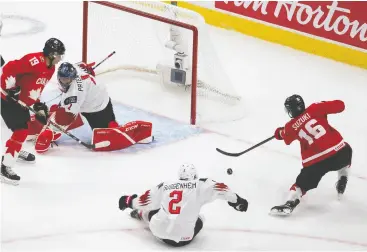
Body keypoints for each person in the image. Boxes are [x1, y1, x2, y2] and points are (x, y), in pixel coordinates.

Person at [32, 62, 153, 153]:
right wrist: (88, 69)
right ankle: (65, 114)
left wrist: (48, 132)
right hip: (92, 96)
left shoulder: (74, 93)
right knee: (62, 109)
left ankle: (142, 133)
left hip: (97, 107)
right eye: (63, 79)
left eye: (68, 79)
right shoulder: (75, 69)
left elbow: (64, 119)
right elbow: (82, 65)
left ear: (73, 77)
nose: (65, 82)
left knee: (108, 131)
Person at [118, 163, 248, 247]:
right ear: (194, 175)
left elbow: (144, 200)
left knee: (156, 209)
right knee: (201, 218)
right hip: (184, 239)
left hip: (158, 231)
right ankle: (148, 216)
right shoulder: (200, 184)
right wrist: (237, 201)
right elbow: (221, 189)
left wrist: (128, 201)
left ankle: (141, 214)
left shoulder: (166, 185)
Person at [271, 94, 352, 216]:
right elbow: (341, 105)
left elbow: (283, 135)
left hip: (316, 163)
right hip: (340, 153)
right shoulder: (315, 108)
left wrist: (278, 132)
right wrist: (323, 105)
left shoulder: (290, 126)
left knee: (300, 186)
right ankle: (343, 177)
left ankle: (290, 203)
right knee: (346, 150)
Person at [1, 38, 65, 185]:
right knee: (21, 131)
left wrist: (37, 105)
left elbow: (34, 87)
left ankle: (14, 151)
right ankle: (5, 168)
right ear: (51, 54)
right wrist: (9, 89)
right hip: (6, 98)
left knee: (24, 127)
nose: (59, 58)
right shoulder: (34, 60)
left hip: (20, 102)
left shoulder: (51, 68)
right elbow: (9, 68)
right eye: (58, 55)